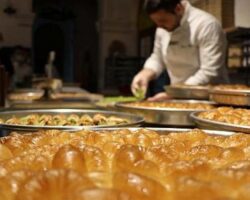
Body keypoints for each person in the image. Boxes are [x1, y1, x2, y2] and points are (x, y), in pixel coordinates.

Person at [131, 0, 229, 101]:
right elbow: (158, 58)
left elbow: (210, 72)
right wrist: (144, 74)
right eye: (156, 22)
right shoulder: (162, 28)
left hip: (209, 98)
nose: (159, 26)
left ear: (178, 9)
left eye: (163, 20)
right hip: (177, 96)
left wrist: (174, 93)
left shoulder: (206, 25)